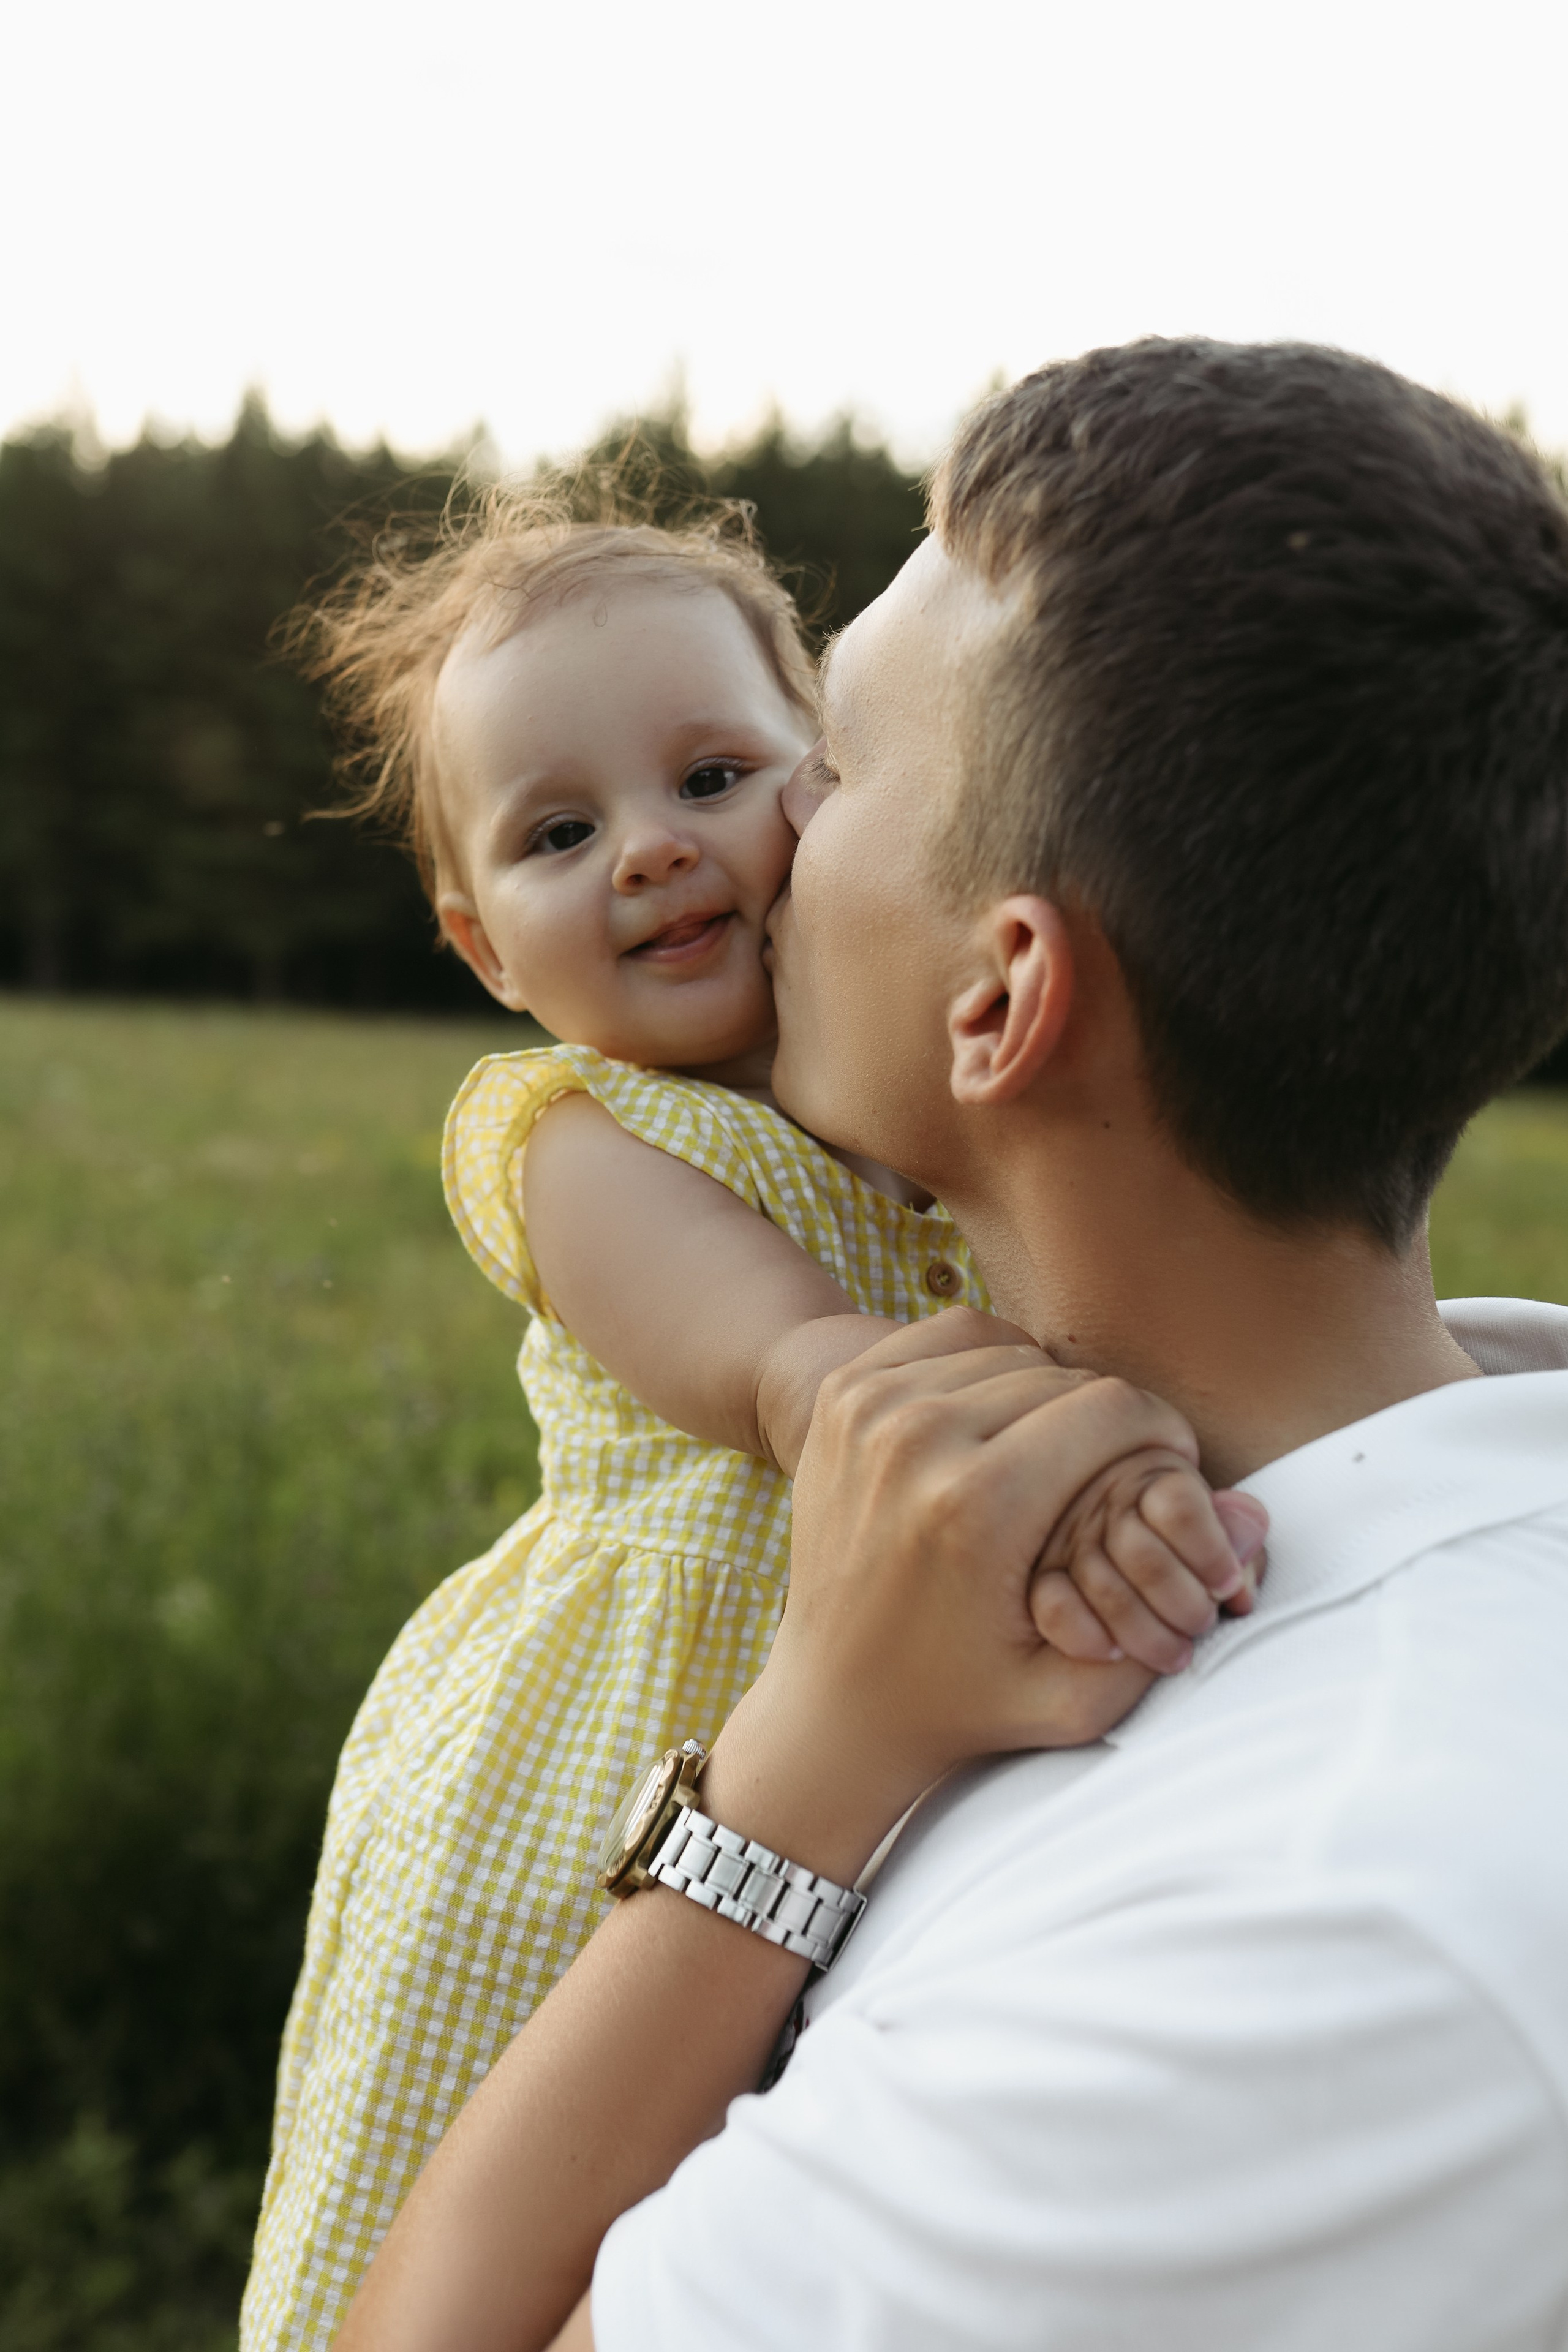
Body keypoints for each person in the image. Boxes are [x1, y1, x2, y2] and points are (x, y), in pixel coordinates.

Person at [333, 339, 1568, 2352]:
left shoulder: (1305, 1940)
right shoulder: (1440, 1488)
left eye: (840, 767)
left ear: (1002, 998)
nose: (764, 841)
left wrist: (793, 1775)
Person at [240, 502, 1262, 2350]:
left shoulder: (886, 1089)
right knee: (494, 2163)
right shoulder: (566, 1132)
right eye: (560, 835)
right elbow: (798, 1374)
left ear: (832, 785)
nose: (648, 852)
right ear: (483, 946)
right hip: (602, 1744)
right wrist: (1022, 1465)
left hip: (861, 1693)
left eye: (712, 774)